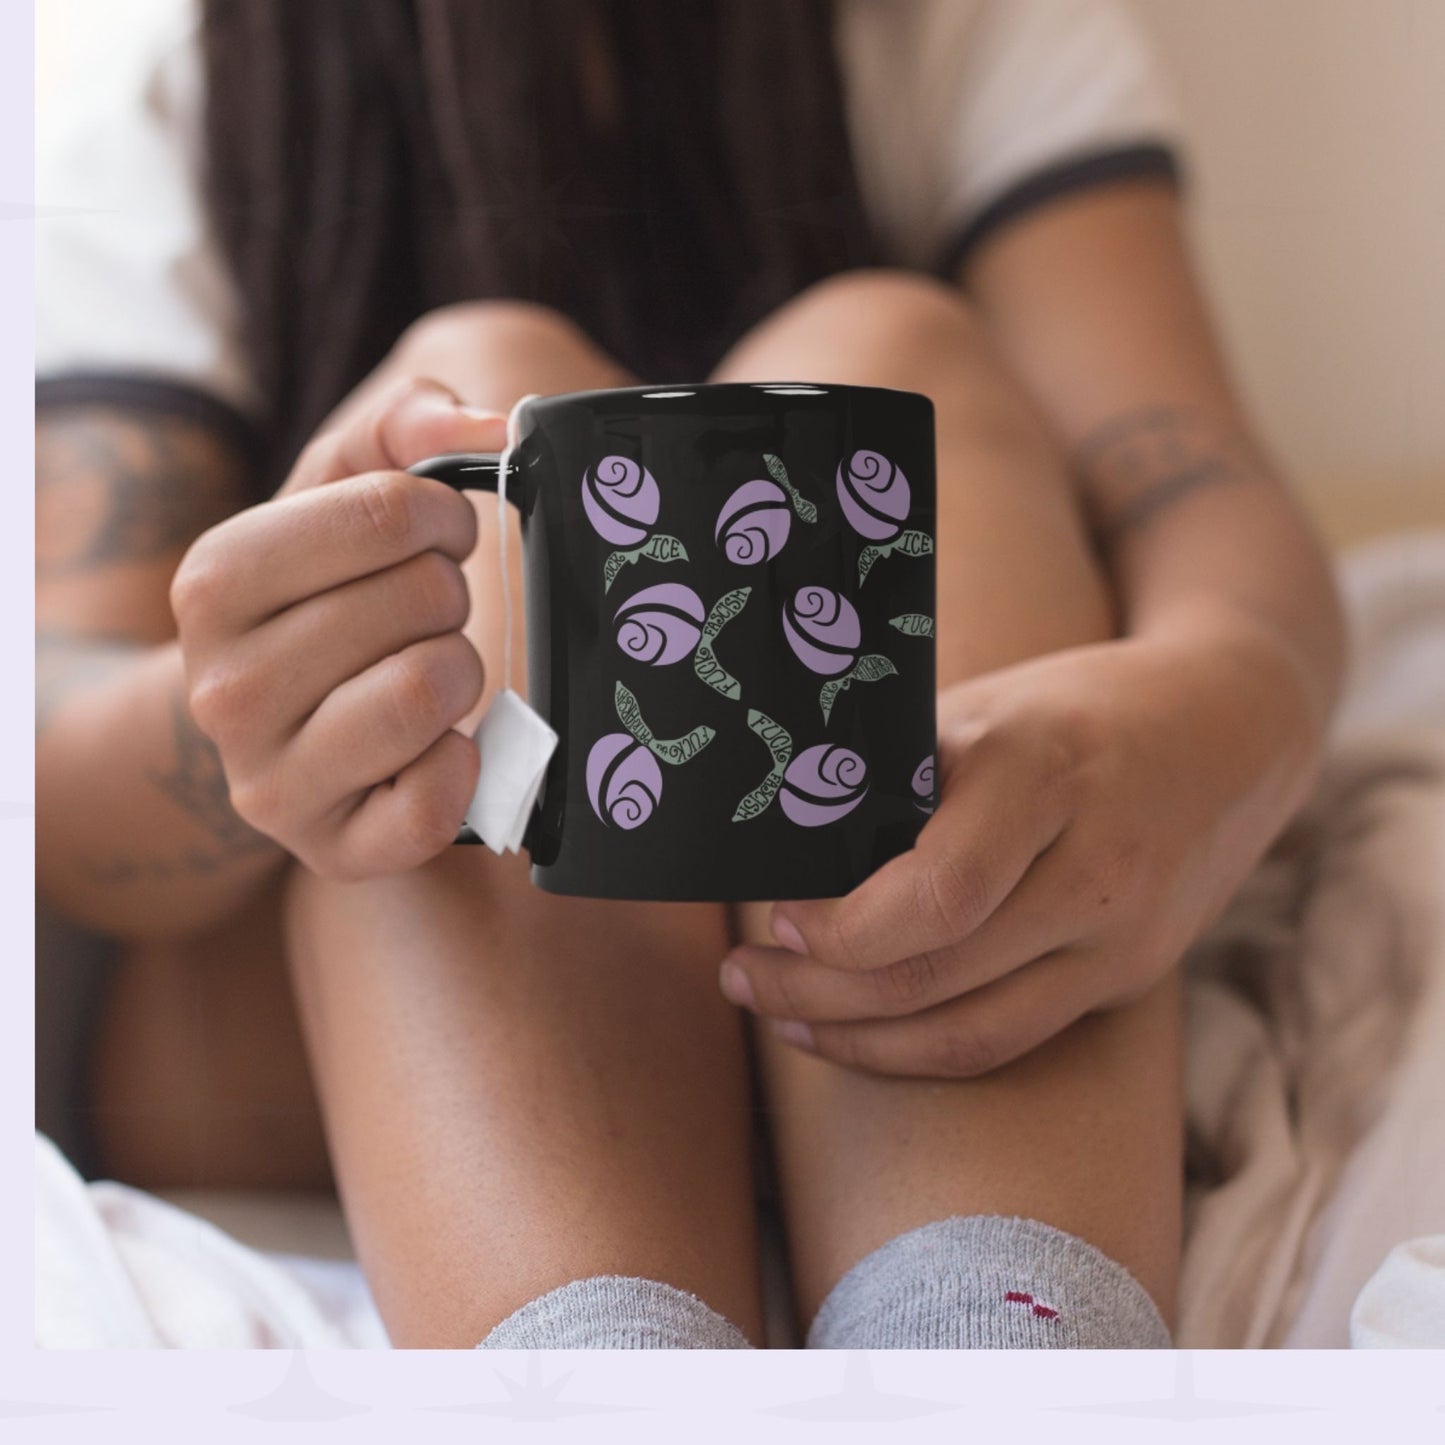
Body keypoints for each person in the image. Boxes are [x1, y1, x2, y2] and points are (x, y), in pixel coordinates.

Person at [36, 0, 1343, 1349]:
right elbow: (52, 757)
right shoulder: (170, 75)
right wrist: (278, 710)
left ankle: (953, 1335)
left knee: (888, 361)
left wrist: (1213, 706)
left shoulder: (953, 27)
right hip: (322, 991)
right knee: (477, 407)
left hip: (865, 938)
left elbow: (1197, 492)